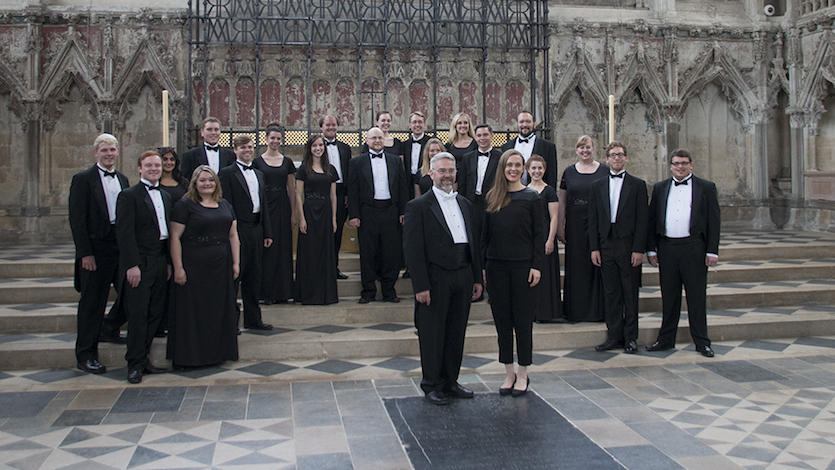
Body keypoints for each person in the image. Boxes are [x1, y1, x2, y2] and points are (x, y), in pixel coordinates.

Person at [404, 152, 483, 406]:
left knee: (456, 331)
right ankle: (432, 384)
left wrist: (477, 278)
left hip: (463, 274)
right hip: (435, 277)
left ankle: (451, 380)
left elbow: (474, 243)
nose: (447, 175)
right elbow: (413, 250)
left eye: (451, 171)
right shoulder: (418, 206)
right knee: (432, 333)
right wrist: (421, 286)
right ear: (432, 174)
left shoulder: (466, 204)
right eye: (442, 171)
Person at [646, 149, 721, 358]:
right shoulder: (660, 188)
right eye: (676, 163)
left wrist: (712, 251)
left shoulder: (706, 187)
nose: (680, 167)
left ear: (691, 165)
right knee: (669, 297)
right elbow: (652, 220)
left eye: (684, 163)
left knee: (696, 297)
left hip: (694, 248)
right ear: (670, 166)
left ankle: (702, 342)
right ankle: (666, 339)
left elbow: (714, 221)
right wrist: (651, 248)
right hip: (667, 248)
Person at [482, 150, 544, 397]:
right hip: (496, 267)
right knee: (502, 323)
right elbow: (484, 237)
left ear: (524, 168)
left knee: (523, 323)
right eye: (509, 165)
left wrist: (537, 265)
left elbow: (539, 235)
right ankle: (508, 372)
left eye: (518, 165)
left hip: (523, 267)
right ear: (503, 168)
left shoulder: (532, 197)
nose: (514, 169)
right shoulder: (492, 196)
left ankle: (523, 373)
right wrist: (484, 267)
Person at [69, 133, 130, 374]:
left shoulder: (124, 179)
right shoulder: (83, 179)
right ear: (96, 152)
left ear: (117, 152)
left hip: (120, 247)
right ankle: (86, 355)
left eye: (112, 150)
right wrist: (85, 253)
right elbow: (77, 219)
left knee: (129, 293)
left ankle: (110, 328)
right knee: (92, 304)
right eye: (104, 150)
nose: (108, 154)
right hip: (95, 249)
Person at [168, 165, 240, 368]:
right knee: (194, 312)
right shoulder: (185, 205)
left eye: (210, 180)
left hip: (220, 267)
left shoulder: (224, 204)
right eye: (202, 180)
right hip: (194, 266)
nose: (207, 183)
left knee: (217, 311)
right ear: (194, 183)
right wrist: (178, 267)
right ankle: (191, 357)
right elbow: (175, 237)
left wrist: (236, 263)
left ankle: (217, 353)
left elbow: (233, 235)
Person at [115, 151, 172, 384]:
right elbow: (124, 233)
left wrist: (168, 262)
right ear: (139, 168)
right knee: (138, 315)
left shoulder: (166, 196)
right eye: (149, 165)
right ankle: (134, 364)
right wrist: (132, 265)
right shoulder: (128, 196)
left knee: (155, 313)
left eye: (157, 165)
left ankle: (144, 358)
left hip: (160, 260)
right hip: (140, 261)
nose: (154, 169)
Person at [588, 142, 648, 354]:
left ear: (626, 158)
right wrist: (594, 248)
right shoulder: (597, 185)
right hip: (605, 245)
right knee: (611, 293)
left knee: (630, 293)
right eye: (613, 155)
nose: (617, 158)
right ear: (607, 159)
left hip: (628, 244)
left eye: (620, 155)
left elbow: (643, 220)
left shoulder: (638, 185)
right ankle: (614, 336)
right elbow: (593, 219)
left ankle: (631, 337)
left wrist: (639, 249)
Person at [347, 127, 409, 303]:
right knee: (368, 254)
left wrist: (403, 211)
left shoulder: (395, 161)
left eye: (380, 138)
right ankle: (368, 291)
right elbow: (353, 191)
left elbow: (402, 188)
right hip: (367, 212)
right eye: (373, 138)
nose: (377, 141)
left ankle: (389, 291)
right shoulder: (356, 162)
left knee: (391, 254)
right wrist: (354, 215)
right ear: (367, 141)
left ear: (384, 140)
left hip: (391, 211)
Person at [218, 135, 274, 331]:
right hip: (237, 229)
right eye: (243, 147)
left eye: (250, 147)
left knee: (254, 275)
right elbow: (225, 204)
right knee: (235, 276)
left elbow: (264, 204)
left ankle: (253, 319)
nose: (247, 150)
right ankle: (230, 322)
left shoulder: (259, 174)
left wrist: (267, 232)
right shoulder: (226, 173)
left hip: (256, 229)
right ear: (235, 150)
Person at [558, 135, 608, 323]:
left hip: (598, 224)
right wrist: (561, 226)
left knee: (597, 265)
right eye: (581, 148)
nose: (585, 151)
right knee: (577, 266)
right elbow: (562, 200)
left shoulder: (604, 170)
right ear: (576, 150)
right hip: (576, 225)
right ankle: (576, 310)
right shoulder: (569, 172)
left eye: (588, 147)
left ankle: (598, 310)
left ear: (593, 149)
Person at [252, 123, 296, 303]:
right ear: (266, 138)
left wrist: (294, 213)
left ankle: (283, 292)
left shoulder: (287, 162)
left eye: (278, 138)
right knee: (267, 250)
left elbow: (291, 189)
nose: (275, 141)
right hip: (265, 207)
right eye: (272, 138)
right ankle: (267, 292)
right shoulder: (257, 162)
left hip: (283, 206)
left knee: (283, 249)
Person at [295, 135, 339, 305]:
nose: (318, 148)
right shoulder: (303, 169)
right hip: (310, 213)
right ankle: (308, 293)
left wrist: (334, 219)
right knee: (310, 253)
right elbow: (298, 195)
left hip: (325, 213)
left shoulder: (331, 169)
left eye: (320, 145)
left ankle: (326, 294)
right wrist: (302, 219)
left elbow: (333, 196)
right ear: (309, 148)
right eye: (315, 146)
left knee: (325, 253)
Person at [526, 155, 564, 323]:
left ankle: (546, 312)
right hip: (528, 239)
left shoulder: (548, 191)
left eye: (539, 168)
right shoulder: (524, 190)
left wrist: (550, 240)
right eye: (533, 168)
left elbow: (554, 217)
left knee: (546, 275)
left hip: (545, 238)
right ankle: (531, 311)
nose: (536, 171)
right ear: (527, 170)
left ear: (544, 170)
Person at [155, 147, 188, 338]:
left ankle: (175, 319)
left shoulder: (182, 183)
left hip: (179, 234)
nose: (168, 163)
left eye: (171, 159)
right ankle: (160, 321)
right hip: (159, 236)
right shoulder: (153, 183)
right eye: (164, 159)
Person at [320, 114, 353, 280]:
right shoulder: (316, 146)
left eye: (333, 125)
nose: (331, 128)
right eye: (328, 125)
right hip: (321, 192)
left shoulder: (345, 148)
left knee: (337, 231)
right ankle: (321, 268)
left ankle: (334, 267)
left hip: (340, 194)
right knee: (321, 232)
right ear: (321, 128)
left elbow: (348, 173)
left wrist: (347, 194)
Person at [458, 124, 501, 245]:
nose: (482, 138)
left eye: (485, 135)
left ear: (492, 136)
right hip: (472, 202)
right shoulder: (467, 158)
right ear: (475, 138)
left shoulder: (500, 157)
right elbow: (462, 183)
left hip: (492, 202)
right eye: (479, 135)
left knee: (491, 235)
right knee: (473, 235)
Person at [501, 111, 557, 187]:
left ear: (534, 124)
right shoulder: (506, 147)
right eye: (521, 122)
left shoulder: (548, 146)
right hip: (511, 193)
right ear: (517, 124)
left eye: (528, 122)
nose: (524, 125)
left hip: (538, 194)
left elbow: (552, 176)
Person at [402, 112, 431, 197]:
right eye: (414, 122)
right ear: (410, 125)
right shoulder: (404, 145)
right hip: (408, 184)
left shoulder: (430, 142)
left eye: (420, 122)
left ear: (424, 124)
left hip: (425, 182)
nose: (417, 125)